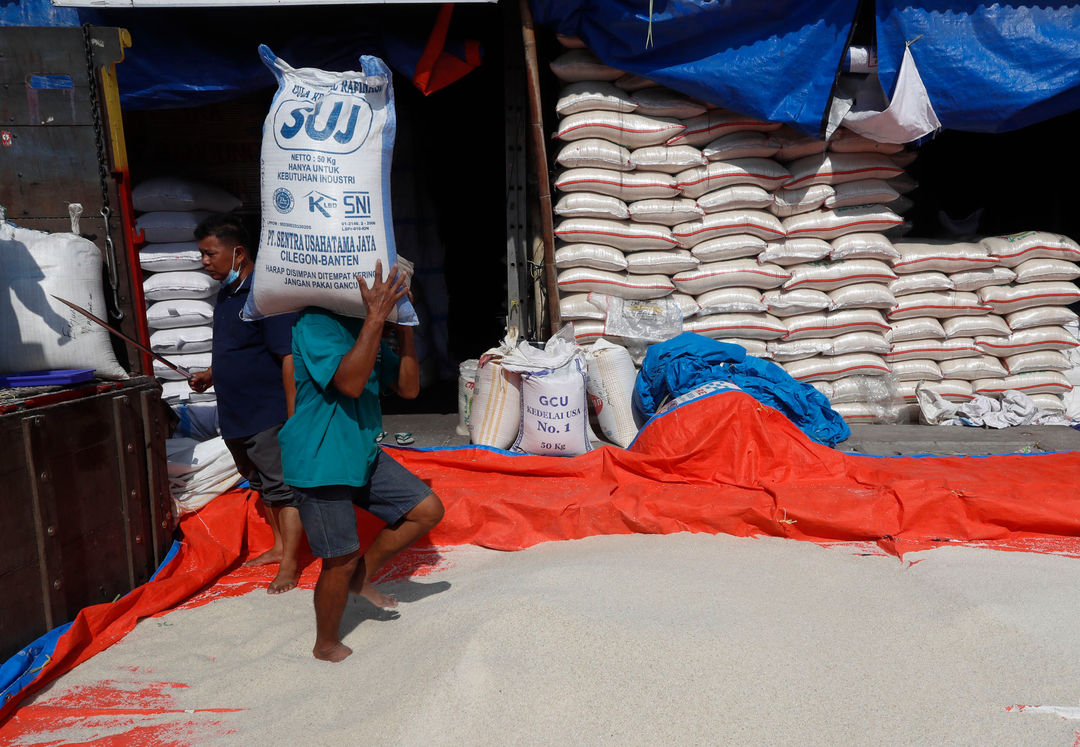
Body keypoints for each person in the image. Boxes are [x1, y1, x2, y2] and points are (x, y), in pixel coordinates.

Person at [280, 260, 444, 662]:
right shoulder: (315, 324)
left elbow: (407, 388)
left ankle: (358, 578)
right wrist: (375, 318)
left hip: (361, 451)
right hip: (321, 460)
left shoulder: (364, 329)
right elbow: (350, 383)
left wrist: (403, 327)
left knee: (426, 509)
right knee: (339, 557)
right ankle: (325, 642)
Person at [190, 213, 304, 594]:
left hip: (266, 412)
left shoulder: (265, 295)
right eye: (202, 254)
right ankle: (278, 547)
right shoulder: (226, 294)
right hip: (235, 414)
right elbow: (237, 348)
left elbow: (287, 356)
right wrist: (211, 373)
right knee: (260, 484)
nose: (204, 261)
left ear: (238, 252)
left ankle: (290, 563)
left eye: (210, 253)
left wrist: (293, 414)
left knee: (282, 488)